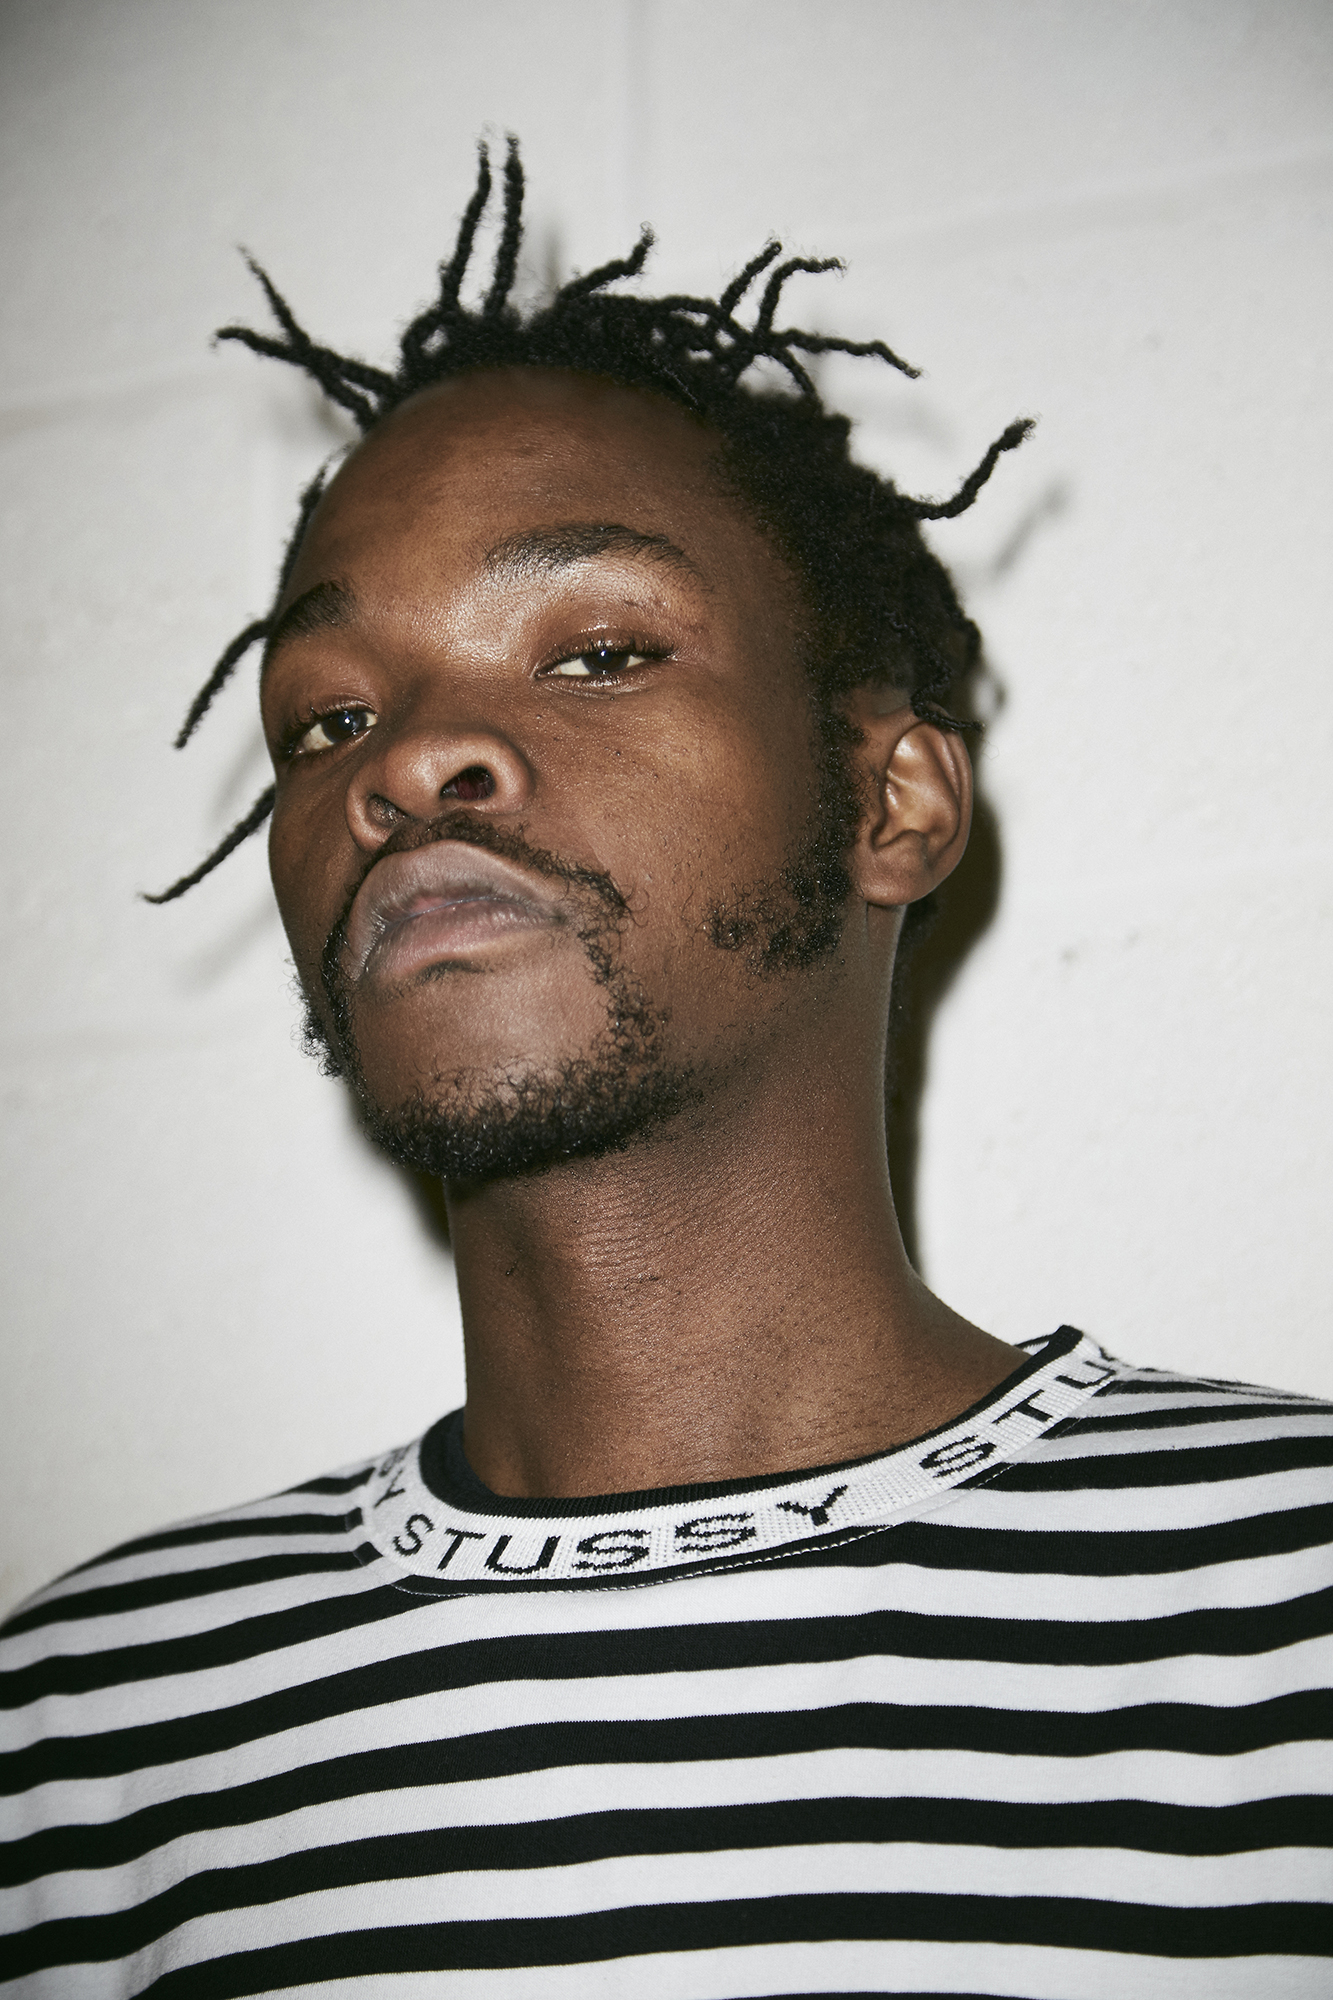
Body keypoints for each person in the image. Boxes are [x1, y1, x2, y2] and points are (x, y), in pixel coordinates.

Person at [2, 140, 1330, 1999]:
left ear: (890, 802)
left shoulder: (1290, 1608)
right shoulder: (88, 1733)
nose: (408, 763)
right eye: (331, 716)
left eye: (600, 651)